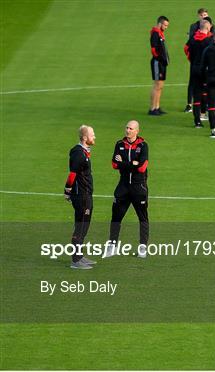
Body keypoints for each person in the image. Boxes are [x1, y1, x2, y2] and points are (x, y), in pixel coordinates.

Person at [105, 120, 149, 259]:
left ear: (137, 131)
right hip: (123, 186)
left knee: (143, 218)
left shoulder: (143, 146)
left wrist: (123, 163)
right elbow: (114, 164)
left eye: (131, 128)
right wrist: (132, 163)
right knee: (116, 217)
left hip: (139, 187)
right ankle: (112, 246)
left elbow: (142, 167)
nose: (128, 130)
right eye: (127, 128)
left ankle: (143, 247)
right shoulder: (119, 144)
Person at [64, 125, 96, 269]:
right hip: (81, 196)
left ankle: (79, 256)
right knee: (80, 227)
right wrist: (68, 190)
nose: (94, 137)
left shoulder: (84, 152)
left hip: (86, 194)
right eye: (92, 135)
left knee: (85, 226)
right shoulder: (78, 153)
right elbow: (72, 174)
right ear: (84, 138)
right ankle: (75, 261)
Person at [185, 8, 215, 113]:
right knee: (195, 83)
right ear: (199, 16)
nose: (204, 16)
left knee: (203, 86)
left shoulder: (211, 26)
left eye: (205, 14)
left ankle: (203, 110)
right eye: (202, 15)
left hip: (202, 62)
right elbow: (189, 44)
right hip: (197, 60)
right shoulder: (194, 26)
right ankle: (190, 104)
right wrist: (191, 58)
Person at [149, 16, 170, 116]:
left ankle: (157, 106)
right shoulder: (155, 34)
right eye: (165, 25)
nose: (166, 27)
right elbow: (153, 50)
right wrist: (160, 59)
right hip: (157, 62)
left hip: (161, 63)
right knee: (157, 85)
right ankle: (152, 108)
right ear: (160, 23)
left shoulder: (160, 33)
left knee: (160, 86)